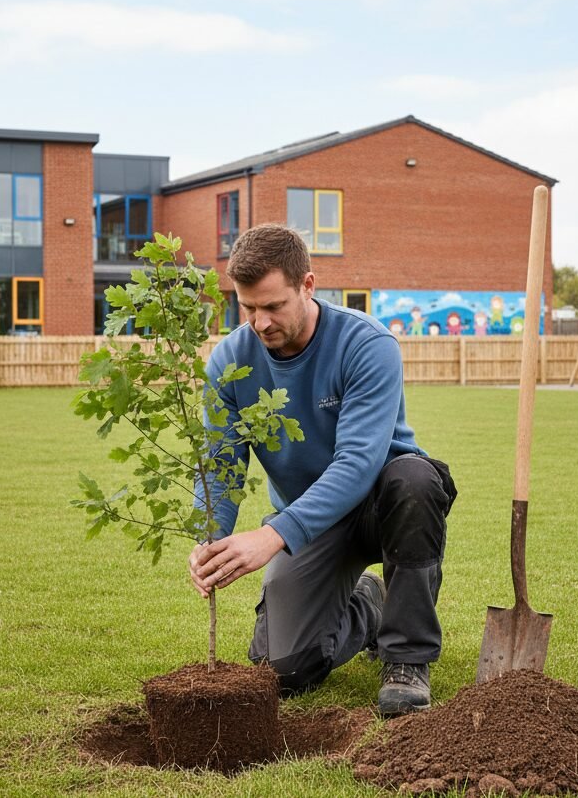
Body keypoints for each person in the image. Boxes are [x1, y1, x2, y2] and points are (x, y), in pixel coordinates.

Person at [188, 225, 456, 715]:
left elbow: (357, 464)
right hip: (310, 525)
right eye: (248, 308)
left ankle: (407, 658)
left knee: (415, 479)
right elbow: (220, 465)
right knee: (283, 669)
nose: (260, 322)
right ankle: (371, 607)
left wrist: (272, 537)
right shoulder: (229, 363)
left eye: (273, 306)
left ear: (308, 285)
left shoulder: (366, 344)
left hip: (383, 506)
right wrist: (208, 536)